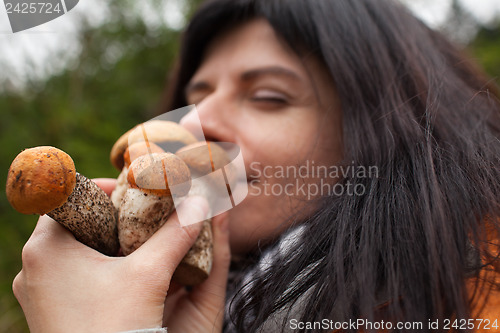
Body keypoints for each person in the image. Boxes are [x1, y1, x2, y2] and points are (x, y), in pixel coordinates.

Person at [12, 0, 500, 332]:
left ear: (382, 133)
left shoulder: (473, 302)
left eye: (268, 96)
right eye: (193, 97)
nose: (196, 122)